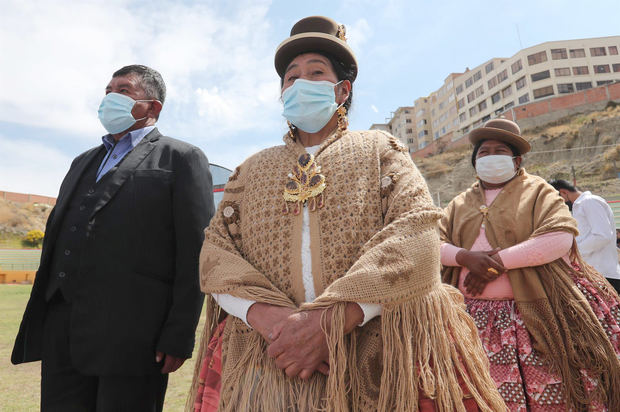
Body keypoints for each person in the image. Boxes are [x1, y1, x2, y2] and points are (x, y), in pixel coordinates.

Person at [189, 16, 505, 412]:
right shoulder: (251, 169)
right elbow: (216, 253)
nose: (299, 83)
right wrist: (269, 320)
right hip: (272, 355)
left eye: (315, 72)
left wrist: (334, 321)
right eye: (290, 78)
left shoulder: (380, 149)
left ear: (342, 90)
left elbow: (417, 235)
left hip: (381, 349)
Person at [12, 65, 215, 411]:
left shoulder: (181, 158)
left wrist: (179, 335)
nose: (110, 99)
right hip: (64, 328)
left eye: (123, 91)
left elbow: (196, 252)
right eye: (107, 91)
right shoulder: (82, 162)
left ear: (153, 107)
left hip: (134, 334)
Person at [440, 118, 620, 411]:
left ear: (517, 160)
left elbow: (559, 237)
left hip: (539, 315)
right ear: (474, 162)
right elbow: (431, 245)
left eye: (500, 150)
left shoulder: (539, 192)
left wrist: (497, 262)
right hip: (470, 322)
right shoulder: (458, 204)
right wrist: (465, 258)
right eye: (484, 152)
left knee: (555, 393)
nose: (491, 157)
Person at [549, 179, 620, 293]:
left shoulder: (589, 202)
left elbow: (602, 235)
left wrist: (574, 251)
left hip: (604, 274)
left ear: (563, 192)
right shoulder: (579, 207)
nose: (560, 205)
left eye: (558, 200)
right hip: (593, 274)